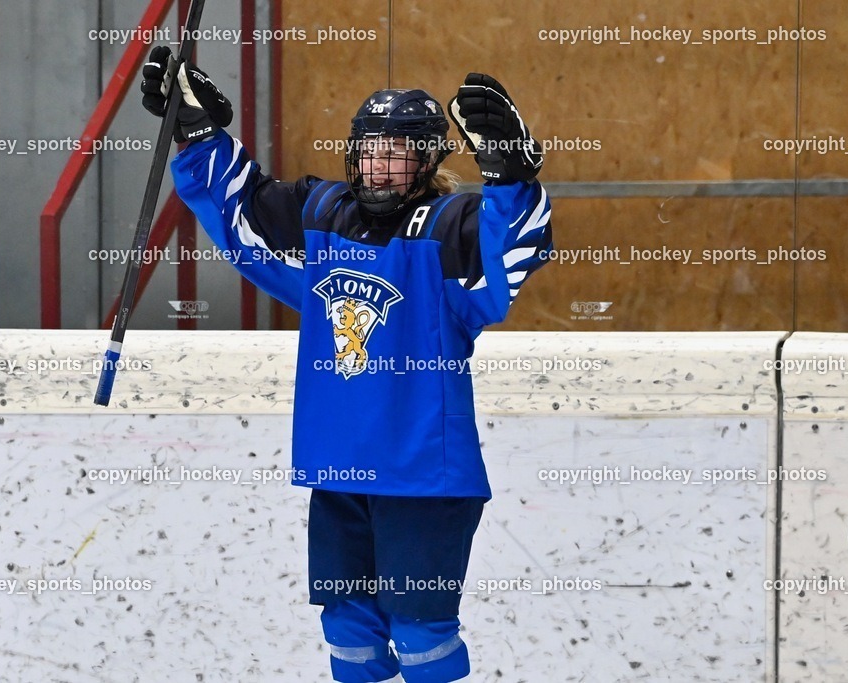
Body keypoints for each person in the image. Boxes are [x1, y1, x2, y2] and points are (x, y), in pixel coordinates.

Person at [142, 46, 553, 683]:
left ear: (428, 161)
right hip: (337, 467)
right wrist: (198, 135)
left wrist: (510, 172)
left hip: (424, 476)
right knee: (348, 632)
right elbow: (244, 214)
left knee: (420, 633)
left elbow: (510, 254)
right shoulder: (324, 215)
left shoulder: (450, 227)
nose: (378, 166)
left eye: (397, 153)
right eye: (369, 151)